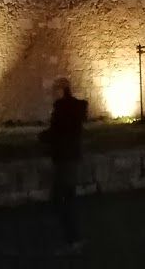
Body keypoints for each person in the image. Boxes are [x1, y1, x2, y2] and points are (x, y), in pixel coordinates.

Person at [40, 77, 88, 252]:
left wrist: (43, 137)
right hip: (71, 157)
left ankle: (73, 238)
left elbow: (57, 131)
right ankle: (72, 237)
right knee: (66, 197)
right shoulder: (74, 108)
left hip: (64, 158)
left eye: (55, 90)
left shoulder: (62, 109)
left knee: (61, 200)